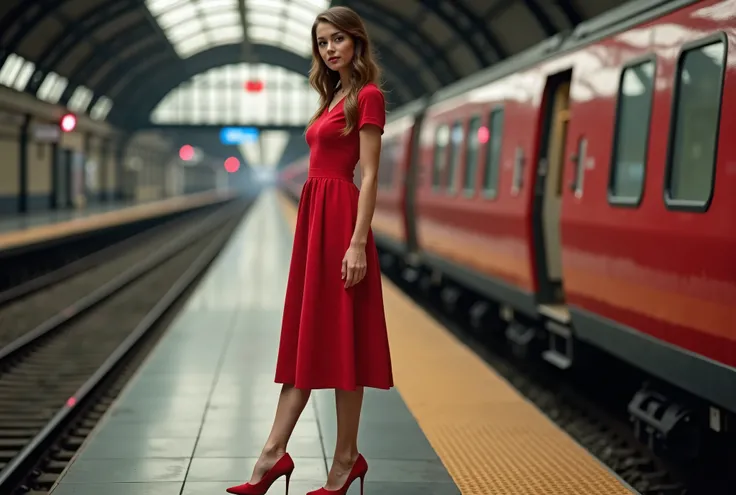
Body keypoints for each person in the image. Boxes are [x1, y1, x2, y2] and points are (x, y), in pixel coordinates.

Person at [226, 6, 394, 495]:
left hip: (341, 220)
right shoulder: (332, 96)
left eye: (338, 39)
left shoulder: (366, 97)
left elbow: (371, 175)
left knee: (346, 340)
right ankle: (276, 456)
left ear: (357, 42)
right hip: (315, 222)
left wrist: (358, 243)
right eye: (322, 42)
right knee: (309, 336)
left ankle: (338, 461)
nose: (330, 48)